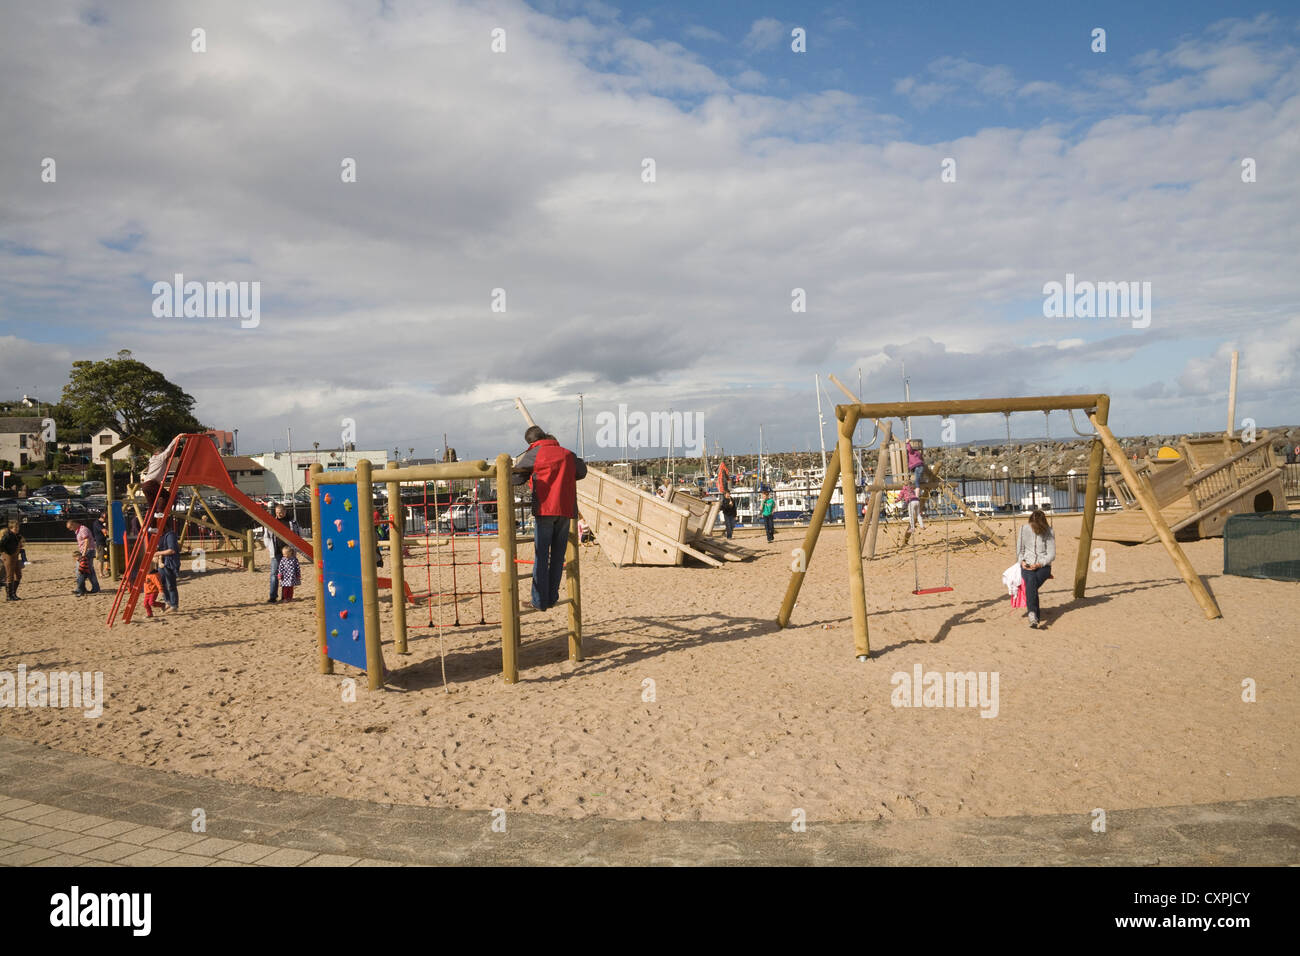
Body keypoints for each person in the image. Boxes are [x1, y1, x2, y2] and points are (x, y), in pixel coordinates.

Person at [512, 426, 587, 611]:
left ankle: (538, 601)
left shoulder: (535, 453)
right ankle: (552, 597)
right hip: (565, 508)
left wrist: (526, 470)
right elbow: (582, 471)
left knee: (541, 556)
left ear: (530, 442)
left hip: (545, 508)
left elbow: (515, 479)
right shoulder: (567, 453)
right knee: (557, 557)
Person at [1017, 508, 1055, 629]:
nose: (1035, 529)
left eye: (1037, 527)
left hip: (1043, 567)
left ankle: (1032, 614)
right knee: (1031, 581)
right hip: (1027, 564)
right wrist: (1022, 562)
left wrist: (1040, 564)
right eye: (1033, 526)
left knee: (1030, 585)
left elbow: (1051, 554)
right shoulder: (1024, 529)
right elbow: (1020, 551)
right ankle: (1033, 615)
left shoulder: (1049, 532)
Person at [265, 503, 303, 603]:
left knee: (288, 574)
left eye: (281, 512)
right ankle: (273, 596)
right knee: (274, 574)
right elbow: (266, 536)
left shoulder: (292, 522)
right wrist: (269, 547)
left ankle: (285, 596)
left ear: (285, 512)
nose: (279, 514)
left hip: (289, 553)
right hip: (276, 551)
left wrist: (296, 548)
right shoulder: (272, 522)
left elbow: (298, 534)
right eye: (277, 513)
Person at [139, 435, 183, 508]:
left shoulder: (152, 460)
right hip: (151, 484)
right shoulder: (160, 457)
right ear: (160, 453)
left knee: (152, 506)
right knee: (167, 496)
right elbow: (169, 449)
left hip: (145, 485)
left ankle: (153, 517)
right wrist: (177, 438)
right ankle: (160, 512)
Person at [67, 519, 101, 595]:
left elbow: (87, 541)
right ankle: (94, 588)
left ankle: (81, 589)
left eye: (70, 527)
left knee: (81, 570)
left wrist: (84, 553)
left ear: (74, 524)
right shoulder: (79, 530)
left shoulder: (83, 529)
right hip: (87, 551)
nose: (70, 529)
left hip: (87, 551)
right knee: (89, 571)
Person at [155, 517, 181, 611]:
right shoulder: (160, 535)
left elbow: (172, 550)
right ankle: (168, 602)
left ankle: (174, 604)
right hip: (162, 562)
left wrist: (158, 553)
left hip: (169, 562)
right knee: (162, 584)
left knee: (170, 584)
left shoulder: (170, 535)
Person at [1, 519, 22, 601]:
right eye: (15, 527)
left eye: (17, 527)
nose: (17, 529)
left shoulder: (17, 535)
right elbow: (1, 544)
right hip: (8, 556)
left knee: (18, 575)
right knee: (10, 575)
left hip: (15, 555)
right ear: (11, 528)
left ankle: (13, 594)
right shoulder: (8, 535)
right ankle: (9, 596)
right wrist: (5, 552)